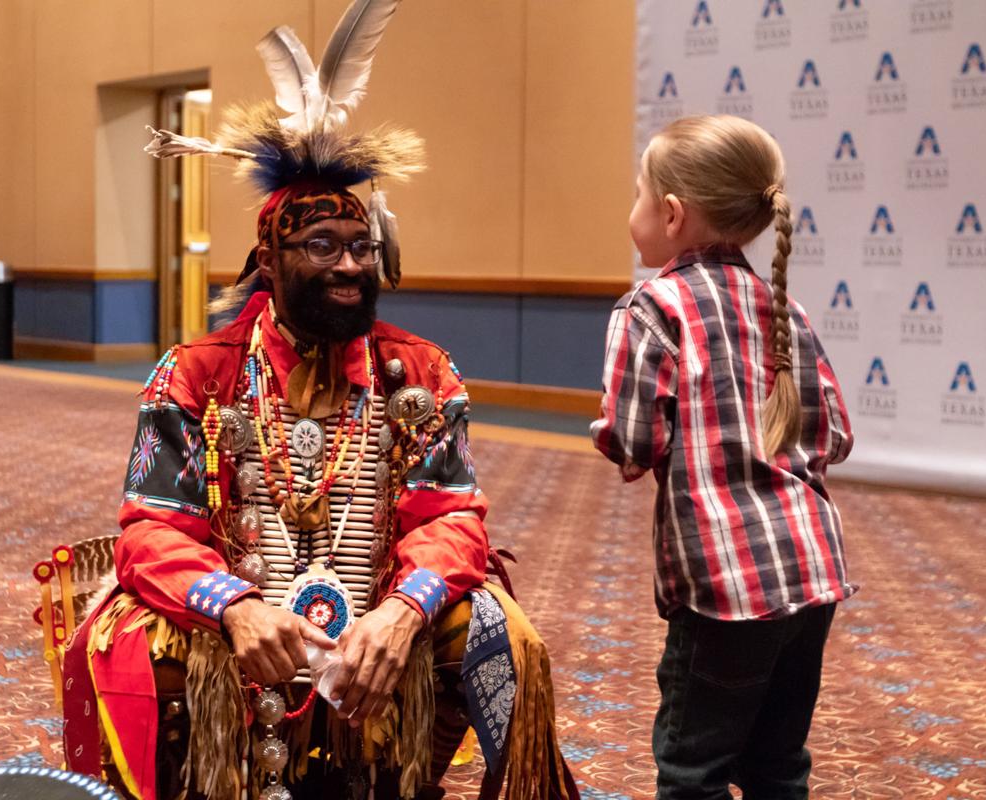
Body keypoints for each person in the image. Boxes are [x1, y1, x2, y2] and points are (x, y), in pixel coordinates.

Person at [60, 4, 575, 799]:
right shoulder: (195, 373)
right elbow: (150, 530)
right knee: (124, 639)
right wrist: (231, 605)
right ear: (270, 257)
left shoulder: (419, 372)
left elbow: (453, 517)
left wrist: (404, 610)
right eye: (323, 248)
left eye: (363, 248)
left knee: (506, 635)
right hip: (242, 624)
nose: (349, 267)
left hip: (376, 613)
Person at [590, 115, 855, 800]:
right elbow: (834, 437)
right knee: (778, 763)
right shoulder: (781, 309)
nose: (635, 212)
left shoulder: (652, 309)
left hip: (725, 585)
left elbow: (633, 439)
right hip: (811, 569)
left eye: (639, 195)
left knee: (692, 768)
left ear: (671, 214)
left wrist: (621, 443)